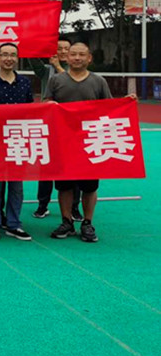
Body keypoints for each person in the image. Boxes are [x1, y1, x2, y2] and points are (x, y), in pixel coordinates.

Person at [46, 41, 136, 243]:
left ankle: (87, 222)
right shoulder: (56, 80)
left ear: (89, 58)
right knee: (64, 185)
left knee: (89, 186)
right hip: (64, 141)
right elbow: (46, 103)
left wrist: (126, 102)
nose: (77, 58)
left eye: (81, 54)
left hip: (91, 141)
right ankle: (66, 221)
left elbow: (110, 107)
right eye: (73, 54)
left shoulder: (98, 81)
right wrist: (49, 104)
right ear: (67, 57)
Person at [0, 43, 34, 241]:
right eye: (5, 55)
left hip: (18, 141)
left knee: (16, 186)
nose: (9, 58)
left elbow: (31, 111)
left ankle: (14, 224)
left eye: (13, 55)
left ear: (17, 58)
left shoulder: (25, 83)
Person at [35, 35, 77, 219]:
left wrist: (58, 66)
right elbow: (33, 60)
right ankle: (42, 204)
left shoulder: (76, 71)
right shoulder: (46, 71)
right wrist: (37, 43)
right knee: (46, 166)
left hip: (70, 125)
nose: (62, 52)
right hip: (49, 124)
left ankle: (74, 207)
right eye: (59, 48)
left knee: (73, 167)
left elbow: (70, 82)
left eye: (66, 49)